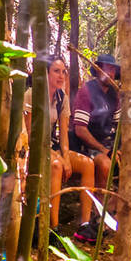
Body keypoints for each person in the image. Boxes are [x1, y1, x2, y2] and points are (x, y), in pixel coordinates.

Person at [70, 52, 131, 242]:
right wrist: (104, 149)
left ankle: (110, 208)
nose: (111, 73)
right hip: (88, 147)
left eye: (113, 69)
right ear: (97, 70)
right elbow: (80, 130)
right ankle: (97, 217)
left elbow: (118, 127)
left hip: (109, 145)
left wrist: (119, 147)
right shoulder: (86, 91)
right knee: (105, 166)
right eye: (107, 68)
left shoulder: (115, 95)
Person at [38, 57, 95, 231]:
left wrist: (66, 157)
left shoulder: (62, 98)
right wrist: (58, 158)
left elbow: (63, 134)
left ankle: (85, 224)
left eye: (63, 71)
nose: (61, 75)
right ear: (46, 73)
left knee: (88, 164)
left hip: (52, 146)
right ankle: (53, 227)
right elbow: (30, 136)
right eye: (56, 71)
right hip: (34, 148)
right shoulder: (32, 95)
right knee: (56, 167)